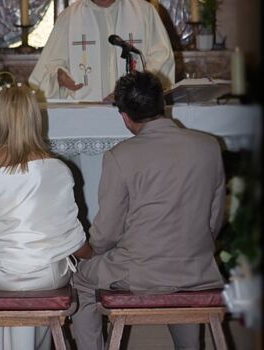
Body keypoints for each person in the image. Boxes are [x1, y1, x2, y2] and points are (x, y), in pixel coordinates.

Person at [71, 71, 226, 350]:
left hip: (142, 271)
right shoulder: (209, 147)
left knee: (82, 279)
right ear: (162, 105)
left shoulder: (120, 156)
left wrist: (92, 251)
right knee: (179, 277)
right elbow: (214, 221)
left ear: (125, 116)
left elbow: (107, 235)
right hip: (197, 270)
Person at [0, 84, 92, 350]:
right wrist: (93, 253)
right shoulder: (57, 168)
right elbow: (74, 242)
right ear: (35, 118)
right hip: (48, 275)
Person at [29, 0, 175, 101]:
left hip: (135, 114)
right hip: (85, 115)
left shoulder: (144, 12)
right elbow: (44, 72)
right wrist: (58, 77)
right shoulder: (69, 18)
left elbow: (162, 58)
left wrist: (133, 92)